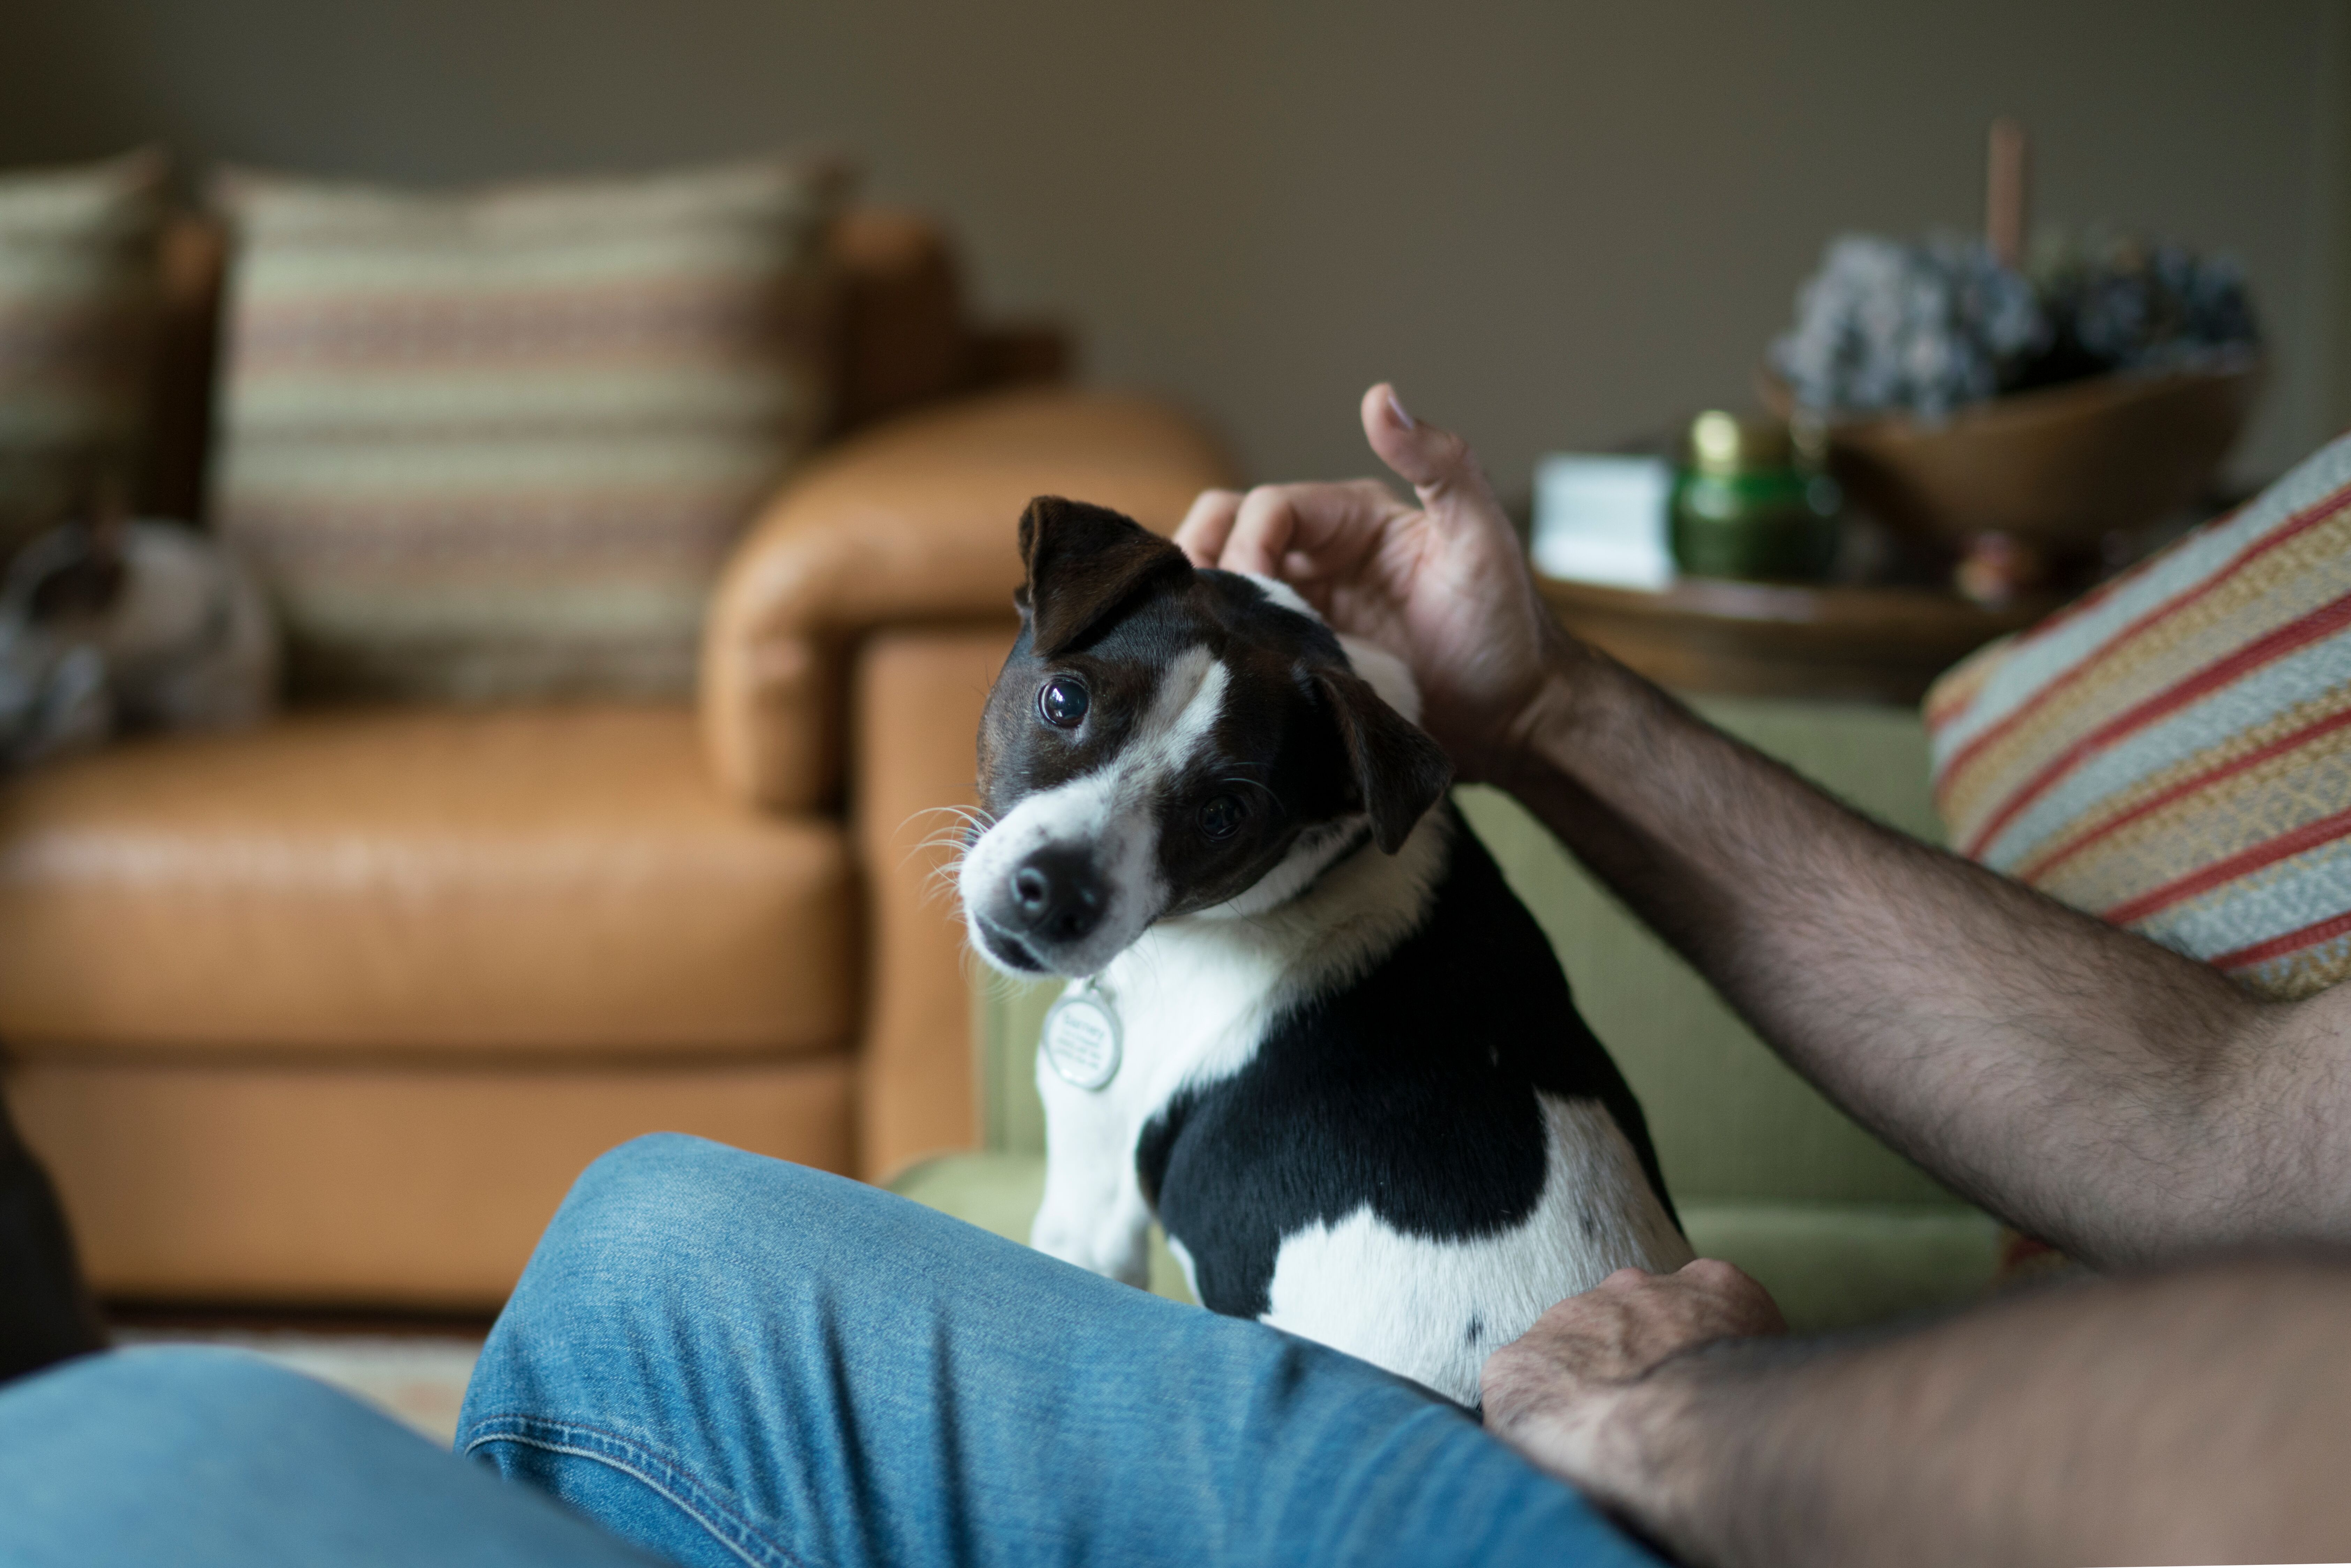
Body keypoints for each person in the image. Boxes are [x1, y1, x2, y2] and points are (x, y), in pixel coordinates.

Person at [6, 385, 2349, 1568]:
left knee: (120, 1457)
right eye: (1066, 726)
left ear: (1330, 831)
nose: (1051, 870)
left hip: (1576, 1472)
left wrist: (1704, 1437)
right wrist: (1546, 711)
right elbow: (2231, 1137)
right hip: (1587, 1418)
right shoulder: (1348, 830)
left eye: (1187, 820)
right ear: (1047, 633)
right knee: (634, 1236)